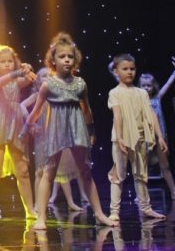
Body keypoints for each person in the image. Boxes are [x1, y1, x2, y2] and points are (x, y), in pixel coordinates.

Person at [21, 32, 116, 230]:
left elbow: (87, 109)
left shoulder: (80, 84)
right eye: (62, 56)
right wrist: (27, 127)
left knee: (85, 171)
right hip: (56, 130)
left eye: (70, 57)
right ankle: (41, 217)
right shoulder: (48, 85)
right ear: (53, 60)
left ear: (75, 60)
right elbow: (36, 111)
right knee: (49, 172)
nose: (66, 60)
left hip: (77, 128)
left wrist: (91, 130)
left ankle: (99, 214)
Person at [107, 53, 167, 220]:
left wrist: (160, 136)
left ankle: (146, 208)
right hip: (121, 139)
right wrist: (120, 138)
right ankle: (114, 211)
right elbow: (117, 115)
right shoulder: (115, 92)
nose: (129, 72)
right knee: (118, 175)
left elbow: (151, 114)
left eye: (132, 69)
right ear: (117, 71)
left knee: (141, 174)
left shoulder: (142, 93)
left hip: (139, 138)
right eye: (125, 69)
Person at [0, 45, 37, 221]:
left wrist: (27, 68)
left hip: (15, 122)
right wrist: (17, 73)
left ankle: (30, 210)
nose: (7, 64)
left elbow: (29, 79)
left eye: (10, 61)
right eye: (2, 62)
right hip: (0, 122)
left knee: (22, 170)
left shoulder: (16, 81)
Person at [139, 58, 175, 199]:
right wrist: (113, 70)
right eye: (143, 85)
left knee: (165, 166)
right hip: (144, 138)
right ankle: (141, 195)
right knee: (142, 168)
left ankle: (173, 191)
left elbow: (169, 83)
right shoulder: (136, 100)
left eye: (149, 85)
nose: (146, 88)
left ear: (153, 86)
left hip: (159, 137)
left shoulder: (157, 98)